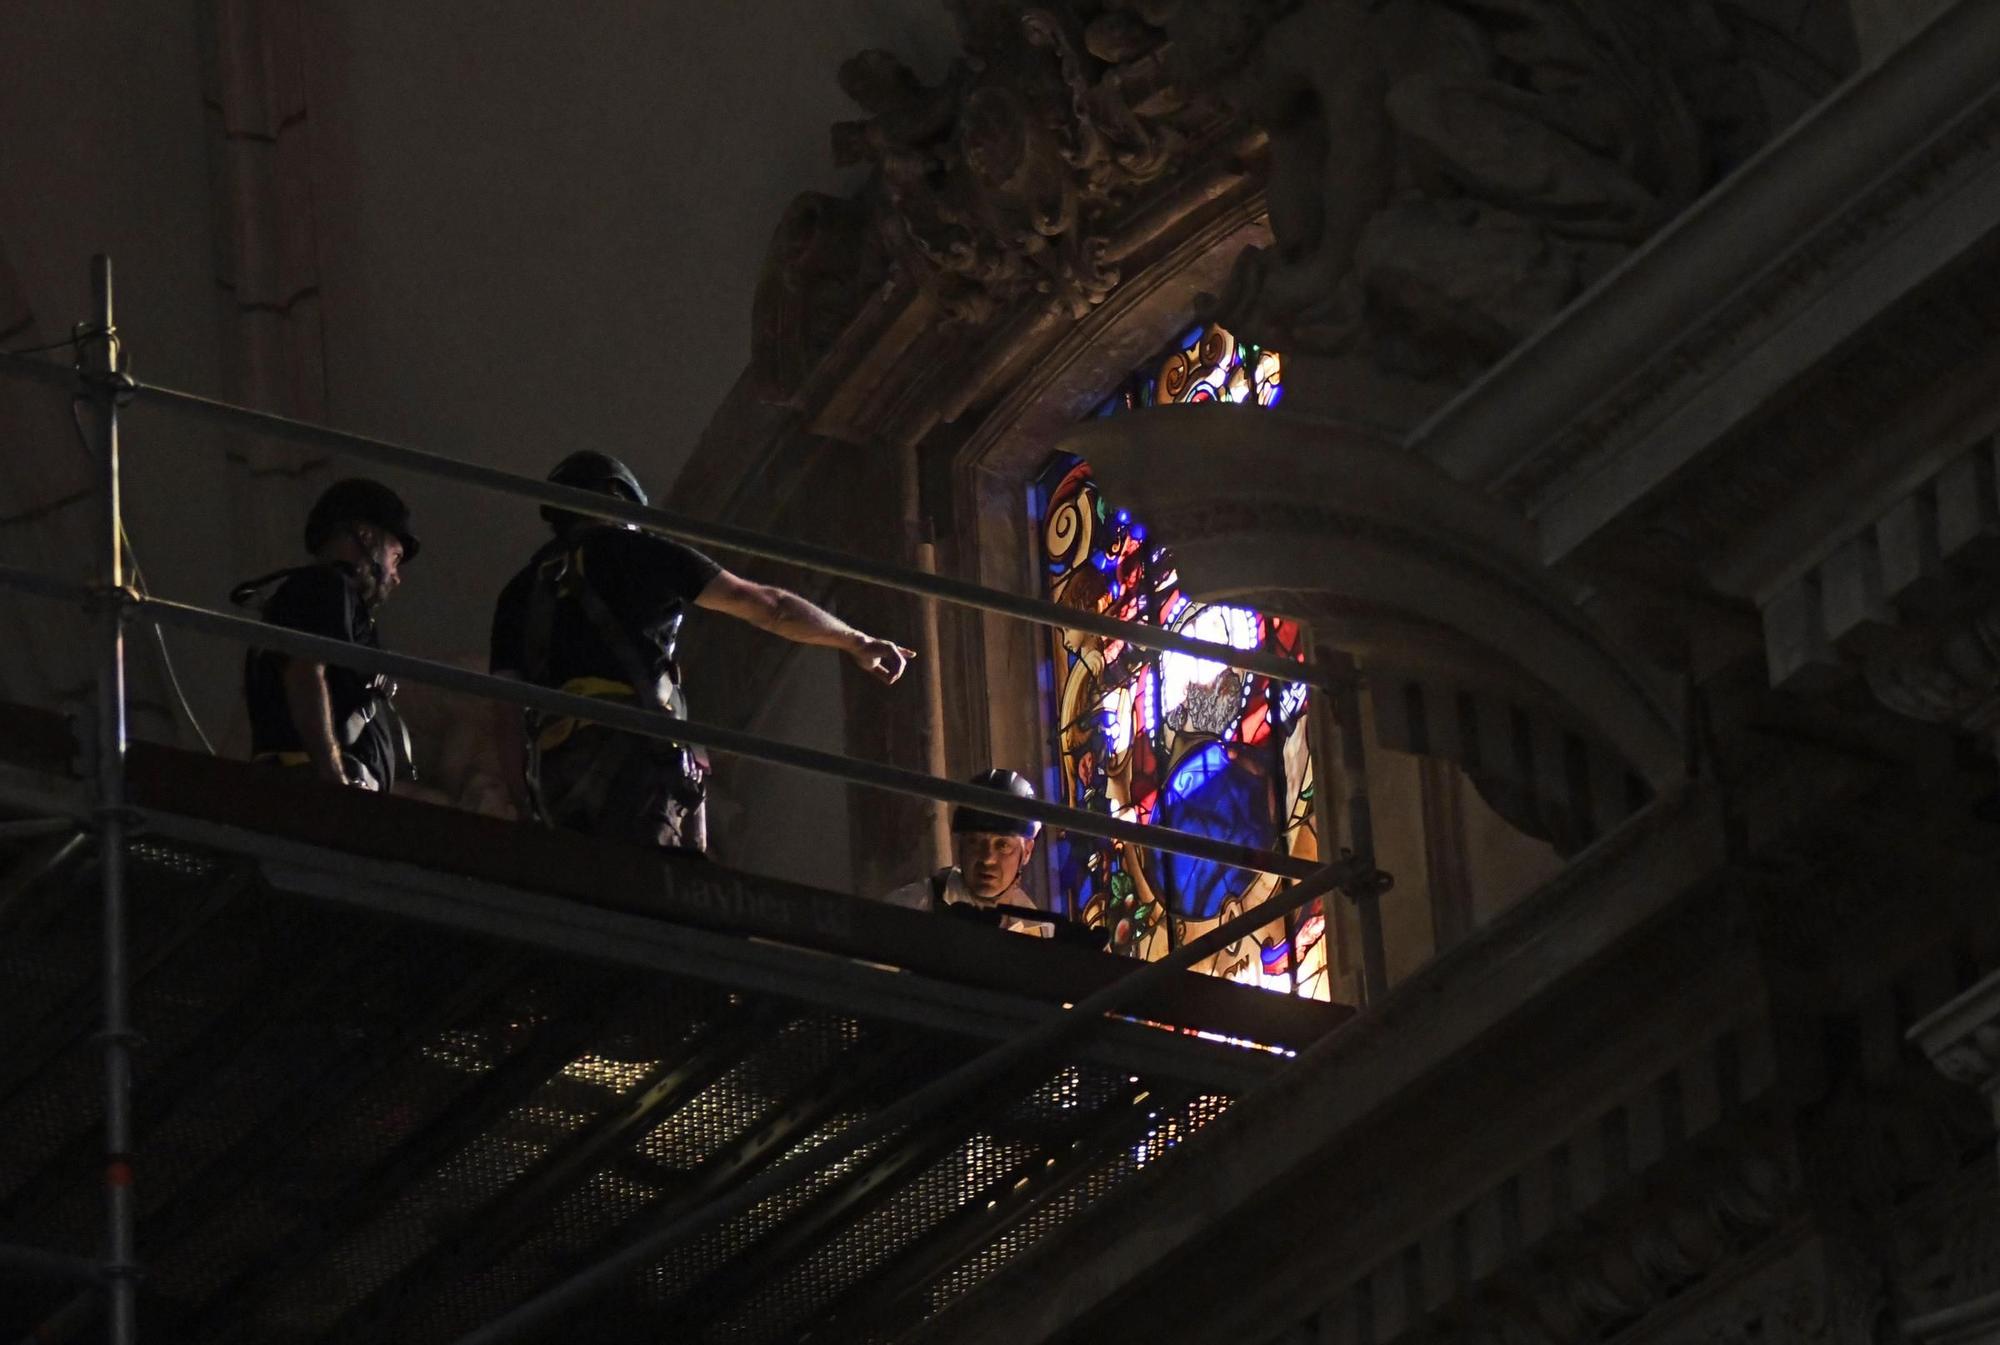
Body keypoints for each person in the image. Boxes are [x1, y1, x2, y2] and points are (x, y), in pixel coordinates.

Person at [489, 449, 914, 853]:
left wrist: (526, 805)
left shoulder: (519, 591)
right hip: (635, 761)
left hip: (557, 772)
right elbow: (772, 608)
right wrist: (856, 641)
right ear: (620, 501)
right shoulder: (643, 554)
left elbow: (506, 715)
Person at [235, 478, 419, 792]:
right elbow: (306, 672)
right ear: (365, 536)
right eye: (396, 557)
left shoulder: (316, 595)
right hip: (316, 787)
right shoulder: (327, 585)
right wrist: (332, 779)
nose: (397, 576)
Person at [879, 768, 1055, 938]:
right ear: (961, 845)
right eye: (975, 842)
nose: (987, 859)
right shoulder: (910, 909)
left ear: (1027, 852)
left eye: (1002, 845)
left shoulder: (1038, 932)